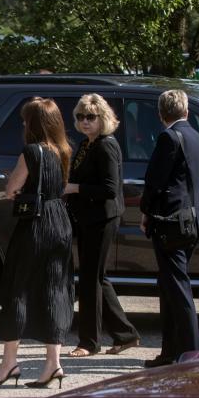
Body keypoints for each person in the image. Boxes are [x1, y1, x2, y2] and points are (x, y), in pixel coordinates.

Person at [0, 98, 74, 389]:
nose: (23, 125)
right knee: (54, 288)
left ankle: (9, 363)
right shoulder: (63, 150)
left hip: (34, 223)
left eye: (25, 121)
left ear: (35, 124)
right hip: (59, 221)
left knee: (17, 287)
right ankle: (53, 363)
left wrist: (14, 184)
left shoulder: (30, 152)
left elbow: (12, 190)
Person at [140, 90, 199, 367]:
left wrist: (146, 211)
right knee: (170, 286)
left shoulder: (169, 137)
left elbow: (155, 181)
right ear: (187, 111)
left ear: (161, 114)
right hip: (194, 220)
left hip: (172, 221)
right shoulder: (196, 137)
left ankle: (189, 352)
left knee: (178, 288)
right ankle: (169, 351)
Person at [65, 93, 140, 357]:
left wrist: (75, 187)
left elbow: (110, 188)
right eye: (80, 117)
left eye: (91, 117)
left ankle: (88, 342)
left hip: (102, 218)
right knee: (96, 277)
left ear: (102, 118)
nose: (85, 122)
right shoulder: (88, 143)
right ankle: (125, 333)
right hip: (88, 217)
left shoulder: (106, 145)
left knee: (90, 279)